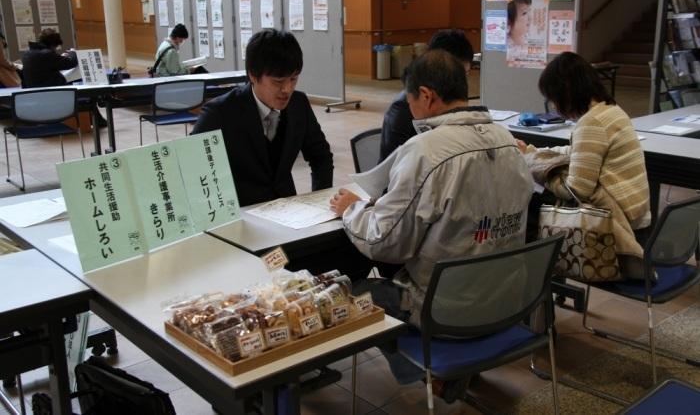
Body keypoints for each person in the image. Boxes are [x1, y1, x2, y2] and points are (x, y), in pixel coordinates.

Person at [330, 50, 533, 398]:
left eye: (409, 101)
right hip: (507, 303)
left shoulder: (426, 150)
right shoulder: (508, 142)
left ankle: (434, 375)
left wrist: (352, 209)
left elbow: (385, 244)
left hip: (445, 311)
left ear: (426, 96)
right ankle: (454, 375)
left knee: (349, 292)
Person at [519, 52, 651, 279]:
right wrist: (533, 152)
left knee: (529, 206)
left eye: (553, 98)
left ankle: (539, 279)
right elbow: (576, 152)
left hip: (616, 221)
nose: (554, 106)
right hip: (635, 209)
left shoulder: (592, 123)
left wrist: (540, 172)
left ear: (566, 92)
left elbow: (577, 190)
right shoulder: (611, 111)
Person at [192, 28, 333, 207]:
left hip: (287, 211)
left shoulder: (299, 104)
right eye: (278, 81)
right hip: (242, 215)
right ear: (252, 75)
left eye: (293, 79)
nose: (287, 89)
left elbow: (321, 156)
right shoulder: (219, 113)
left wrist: (319, 202)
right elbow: (194, 170)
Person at [378, 29, 474, 162]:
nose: (459, 82)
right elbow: (391, 165)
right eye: (456, 74)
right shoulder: (405, 106)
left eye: (465, 74)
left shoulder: (452, 100)